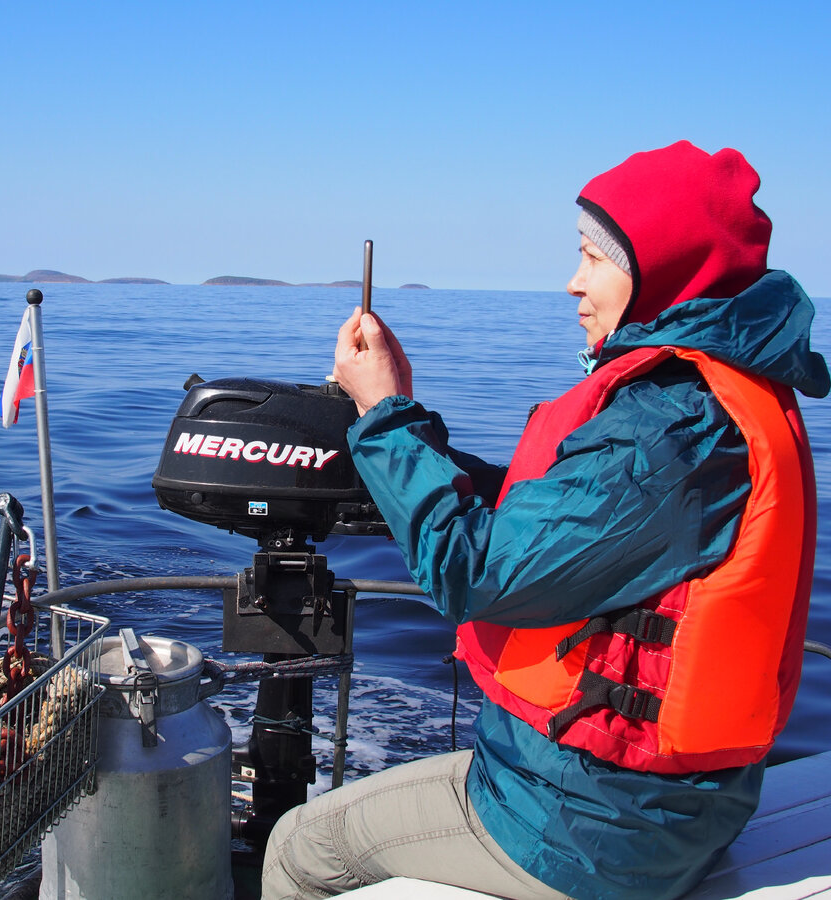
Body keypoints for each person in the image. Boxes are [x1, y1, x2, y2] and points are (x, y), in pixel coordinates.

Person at [260, 140, 829, 900]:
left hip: (594, 828)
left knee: (302, 847)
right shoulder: (716, 397)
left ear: (662, 269)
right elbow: (563, 516)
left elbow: (471, 572)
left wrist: (384, 413)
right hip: (670, 801)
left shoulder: (666, 434)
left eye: (593, 257)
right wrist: (409, 429)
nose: (572, 282)